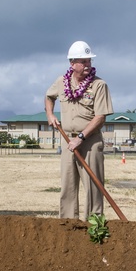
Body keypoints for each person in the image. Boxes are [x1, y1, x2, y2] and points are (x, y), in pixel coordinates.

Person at [46, 40, 114, 220]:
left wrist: (81, 137)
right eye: (83, 62)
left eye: (89, 61)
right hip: (67, 139)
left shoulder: (99, 85)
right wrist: (50, 115)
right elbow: (48, 96)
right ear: (72, 63)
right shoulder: (61, 82)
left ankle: (94, 226)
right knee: (67, 186)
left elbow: (100, 117)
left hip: (90, 141)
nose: (87, 65)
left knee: (93, 186)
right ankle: (68, 226)